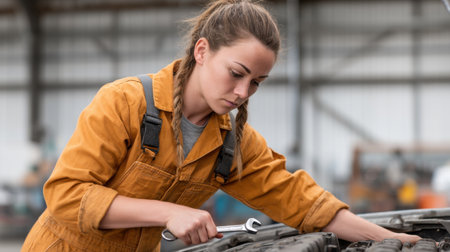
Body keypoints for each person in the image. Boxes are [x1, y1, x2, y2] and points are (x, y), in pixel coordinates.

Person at [21, 0, 421, 251]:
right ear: (202, 51)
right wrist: (168, 213)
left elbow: (302, 202)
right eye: (236, 73)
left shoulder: (233, 145)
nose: (243, 91)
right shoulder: (125, 102)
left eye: (256, 83)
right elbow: (67, 195)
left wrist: (389, 239)